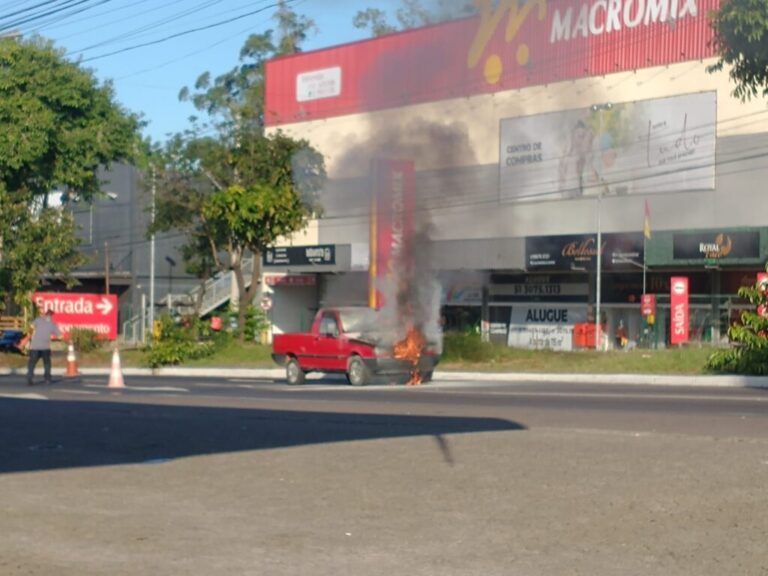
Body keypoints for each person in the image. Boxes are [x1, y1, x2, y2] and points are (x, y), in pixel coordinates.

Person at [26, 308, 62, 386]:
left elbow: (31, 327)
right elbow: (60, 336)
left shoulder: (38, 320)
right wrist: (53, 338)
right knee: (47, 364)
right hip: (45, 347)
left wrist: (29, 336)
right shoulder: (52, 324)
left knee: (32, 363)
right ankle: (47, 379)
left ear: (45, 314)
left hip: (35, 346)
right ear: (51, 316)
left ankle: (30, 378)